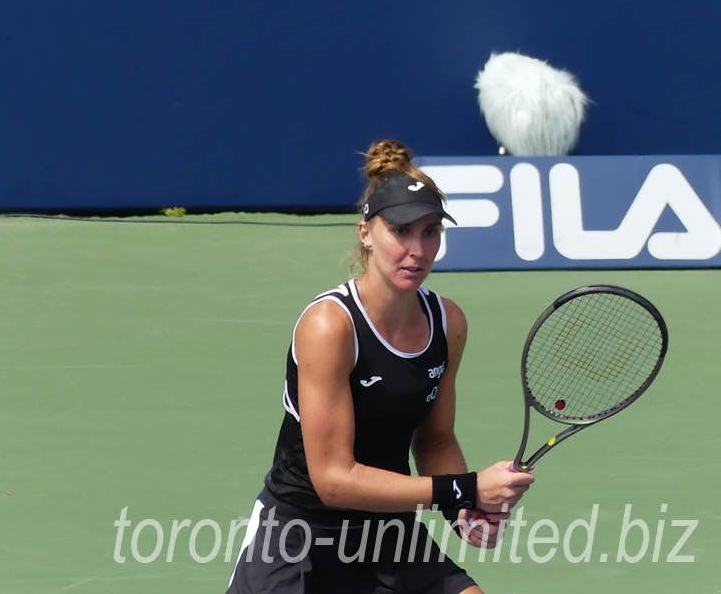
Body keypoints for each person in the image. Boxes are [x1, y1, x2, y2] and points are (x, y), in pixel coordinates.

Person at [226, 139, 535, 594]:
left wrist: (464, 514)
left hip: (388, 534)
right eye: (401, 231)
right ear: (367, 233)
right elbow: (334, 481)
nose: (416, 249)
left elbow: (436, 439)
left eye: (431, 232)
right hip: (299, 536)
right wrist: (462, 490)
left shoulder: (448, 323)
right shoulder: (330, 326)